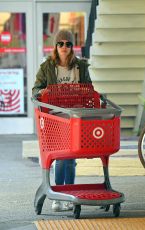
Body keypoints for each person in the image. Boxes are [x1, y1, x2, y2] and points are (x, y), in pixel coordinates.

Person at [32, 29, 92, 212]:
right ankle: (58, 196)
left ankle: (69, 195)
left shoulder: (80, 66)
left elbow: (89, 89)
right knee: (61, 157)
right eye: (61, 43)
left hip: (75, 118)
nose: (64, 47)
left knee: (71, 158)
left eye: (68, 44)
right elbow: (36, 89)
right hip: (55, 118)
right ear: (55, 47)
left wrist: (84, 93)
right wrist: (41, 93)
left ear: (72, 47)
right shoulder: (47, 67)